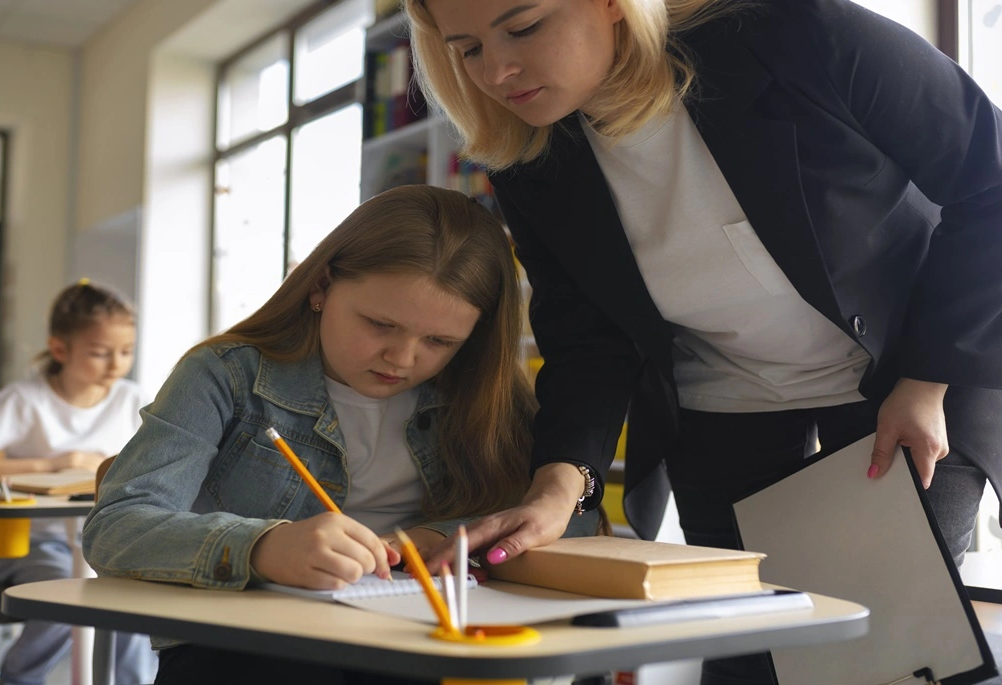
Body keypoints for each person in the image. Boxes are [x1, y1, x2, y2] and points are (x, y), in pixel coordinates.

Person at [405, 0, 1002, 682]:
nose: (498, 69)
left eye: (524, 27)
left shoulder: (803, 35)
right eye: (466, 49)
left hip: (908, 385)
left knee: (887, 661)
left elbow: (990, 181)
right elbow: (588, 339)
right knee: (747, 664)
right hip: (723, 410)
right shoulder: (531, 158)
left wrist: (925, 380)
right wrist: (556, 487)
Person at [82, 185, 598, 685]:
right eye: (379, 324)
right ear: (321, 287)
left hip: (418, 636)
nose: (401, 358)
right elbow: (115, 528)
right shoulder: (224, 375)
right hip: (248, 642)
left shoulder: (484, 395)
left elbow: (571, 518)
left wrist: (442, 537)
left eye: (439, 341)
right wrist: (263, 547)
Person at [0, 280, 155, 685]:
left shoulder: (130, 399)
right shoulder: (23, 399)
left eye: (126, 352)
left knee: (130, 604)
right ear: (60, 349)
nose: (115, 365)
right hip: (31, 542)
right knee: (65, 596)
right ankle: (16, 680)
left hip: (106, 542)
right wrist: (53, 465)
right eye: (100, 353)